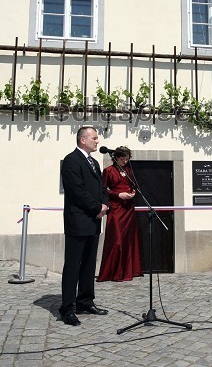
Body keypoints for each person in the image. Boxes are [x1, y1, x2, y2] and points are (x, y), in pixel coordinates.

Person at [59, 126, 109, 326]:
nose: (97, 141)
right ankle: (67, 308)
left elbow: (101, 188)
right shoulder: (71, 161)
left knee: (89, 264)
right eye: (94, 138)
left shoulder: (94, 162)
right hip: (79, 221)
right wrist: (97, 207)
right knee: (73, 265)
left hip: (94, 220)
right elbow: (77, 191)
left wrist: (104, 205)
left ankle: (85, 301)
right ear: (82, 140)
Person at [97, 146, 143, 282]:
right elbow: (103, 190)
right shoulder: (108, 171)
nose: (124, 161)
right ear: (115, 158)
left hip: (128, 208)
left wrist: (132, 193)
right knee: (117, 239)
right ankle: (114, 272)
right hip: (116, 208)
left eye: (127, 159)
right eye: (122, 159)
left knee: (128, 239)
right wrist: (118, 194)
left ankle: (129, 270)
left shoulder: (129, 170)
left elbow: (133, 185)